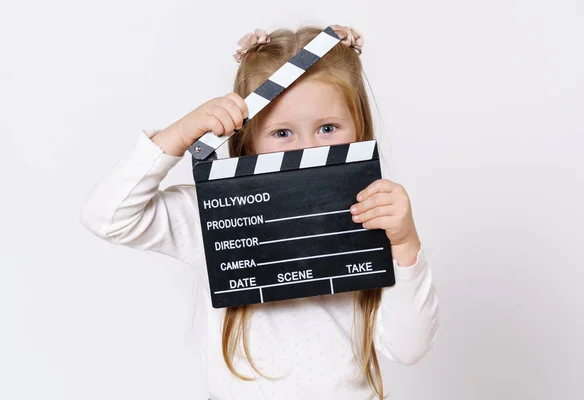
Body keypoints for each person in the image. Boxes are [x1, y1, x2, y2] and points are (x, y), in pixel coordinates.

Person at [80, 25, 439, 400]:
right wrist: (181, 133)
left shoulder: (371, 214)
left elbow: (408, 347)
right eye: (282, 133)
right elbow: (107, 216)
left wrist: (405, 243)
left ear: (359, 129)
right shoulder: (214, 213)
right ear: (247, 139)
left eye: (328, 128)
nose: (306, 150)